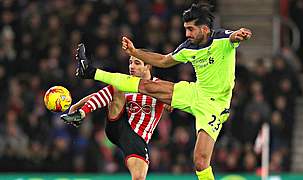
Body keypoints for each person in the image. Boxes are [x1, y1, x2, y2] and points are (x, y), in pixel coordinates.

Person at [75, 3, 252, 180]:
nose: (187, 34)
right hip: (195, 92)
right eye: (185, 29)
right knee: (147, 86)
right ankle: (90, 71)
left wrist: (239, 35)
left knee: (200, 162)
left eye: (191, 29)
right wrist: (135, 51)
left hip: (215, 105)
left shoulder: (222, 39)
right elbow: (164, 60)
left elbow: (233, 37)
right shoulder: (188, 47)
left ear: (205, 29)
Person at [61, 56, 171, 180]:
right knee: (118, 85)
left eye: (137, 63)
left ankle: (81, 112)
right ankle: (81, 114)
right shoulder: (127, 82)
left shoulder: (161, 86)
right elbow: (108, 95)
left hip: (138, 139)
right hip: (118, 126)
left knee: (139, 178)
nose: (132, 67)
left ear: (148, 66)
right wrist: (78, 105)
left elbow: (177, 101)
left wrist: (170, 102)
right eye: (130, 63)